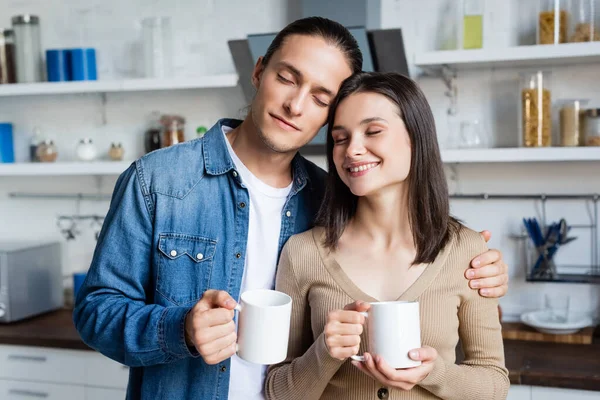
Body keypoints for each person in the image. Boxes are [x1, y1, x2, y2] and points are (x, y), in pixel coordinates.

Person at [73, 17, 509, 400]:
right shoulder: (159, 181)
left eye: (321, 98)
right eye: (287, 78)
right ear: (259, 71)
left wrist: (475, 268)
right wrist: (180, 328)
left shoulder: (332, 199)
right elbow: (95, 310)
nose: (296, 105)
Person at [265, 72, 510, 400]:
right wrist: (323, 352)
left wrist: (433, 373)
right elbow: (277, 390)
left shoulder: (467, 250)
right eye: (340, 138)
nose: (352, 149)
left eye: (373, 131)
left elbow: (494, 384)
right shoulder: (301, 253)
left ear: (416, 137)